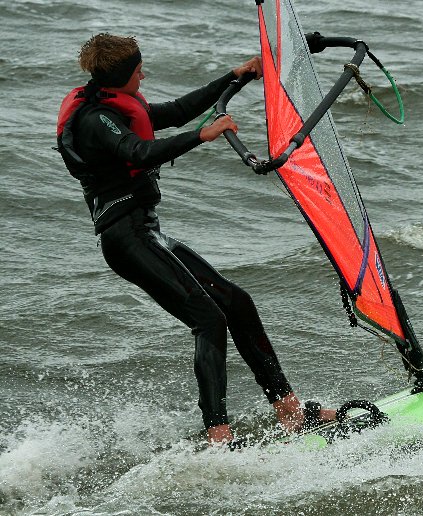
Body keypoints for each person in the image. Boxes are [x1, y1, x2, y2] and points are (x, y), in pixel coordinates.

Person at [56, 33, 335, 446]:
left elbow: (173, 111)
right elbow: (138, 152)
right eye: (138, 71)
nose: (143, 74)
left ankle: (289, 412)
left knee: (236, 302)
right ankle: (217, 436)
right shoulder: (97, 121)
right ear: (121, 77)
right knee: (208, 319)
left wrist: (233, 77)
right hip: (126, 238)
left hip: (145, 232)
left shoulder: (113, 103)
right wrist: (202, 136)